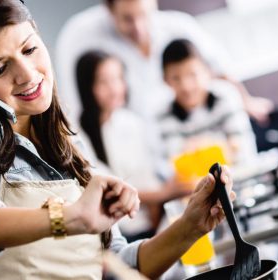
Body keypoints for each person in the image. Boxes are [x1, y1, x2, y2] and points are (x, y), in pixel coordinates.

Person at [0, 1, 235, 280]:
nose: (28, 74)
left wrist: (191, 226)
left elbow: (116, 265)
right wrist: (66, 218)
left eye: (30, 49)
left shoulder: (64, 140)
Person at [55, 0, 273, 127]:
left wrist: (247, 102)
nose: (139, 28)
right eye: (128, 19)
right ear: (109, 10)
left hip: (187, 132)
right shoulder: (80, 36)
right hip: (135, 145)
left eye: (144, 15)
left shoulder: (179, 25)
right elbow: (75, 108)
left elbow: (219, 70)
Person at [75, 50, 192, 241]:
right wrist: (164, 193)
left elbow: (149, 175)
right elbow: (108, 190)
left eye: (118, 79)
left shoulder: (131, 122)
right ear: (87, 87)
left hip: (153, 221)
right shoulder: (79, 137)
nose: (115, 88)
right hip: (120, 231)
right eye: (103, 82)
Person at [159, 39, 258, 165]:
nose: (186, 86)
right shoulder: (163, 116)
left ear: (206, 71)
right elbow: (177, 167)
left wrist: (197, 150)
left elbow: (243, 152)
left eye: (192, 74)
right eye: (176, 78)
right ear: (165, 80)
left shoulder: (226, 96)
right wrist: (222, 147)